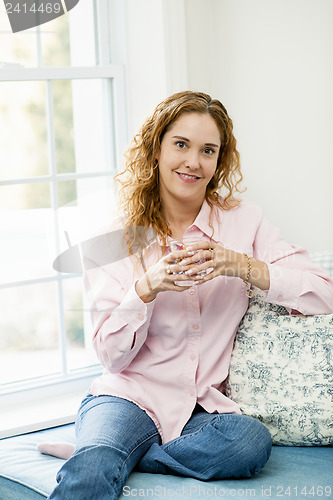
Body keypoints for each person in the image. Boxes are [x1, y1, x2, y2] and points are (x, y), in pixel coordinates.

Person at [45, 91, 333, 499]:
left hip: (204, 410)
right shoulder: (113, 238)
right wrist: (145, 289)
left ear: (219, 161)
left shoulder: (244, 222)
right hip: (129, 398)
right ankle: (107, 451)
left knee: (248, 443)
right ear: (157, 148)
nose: (193, 162)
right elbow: (111, 357)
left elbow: (324, 294)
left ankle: (136, 456)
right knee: (92, 468)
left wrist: (242, 266)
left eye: (208, 150)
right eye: (181, 144)